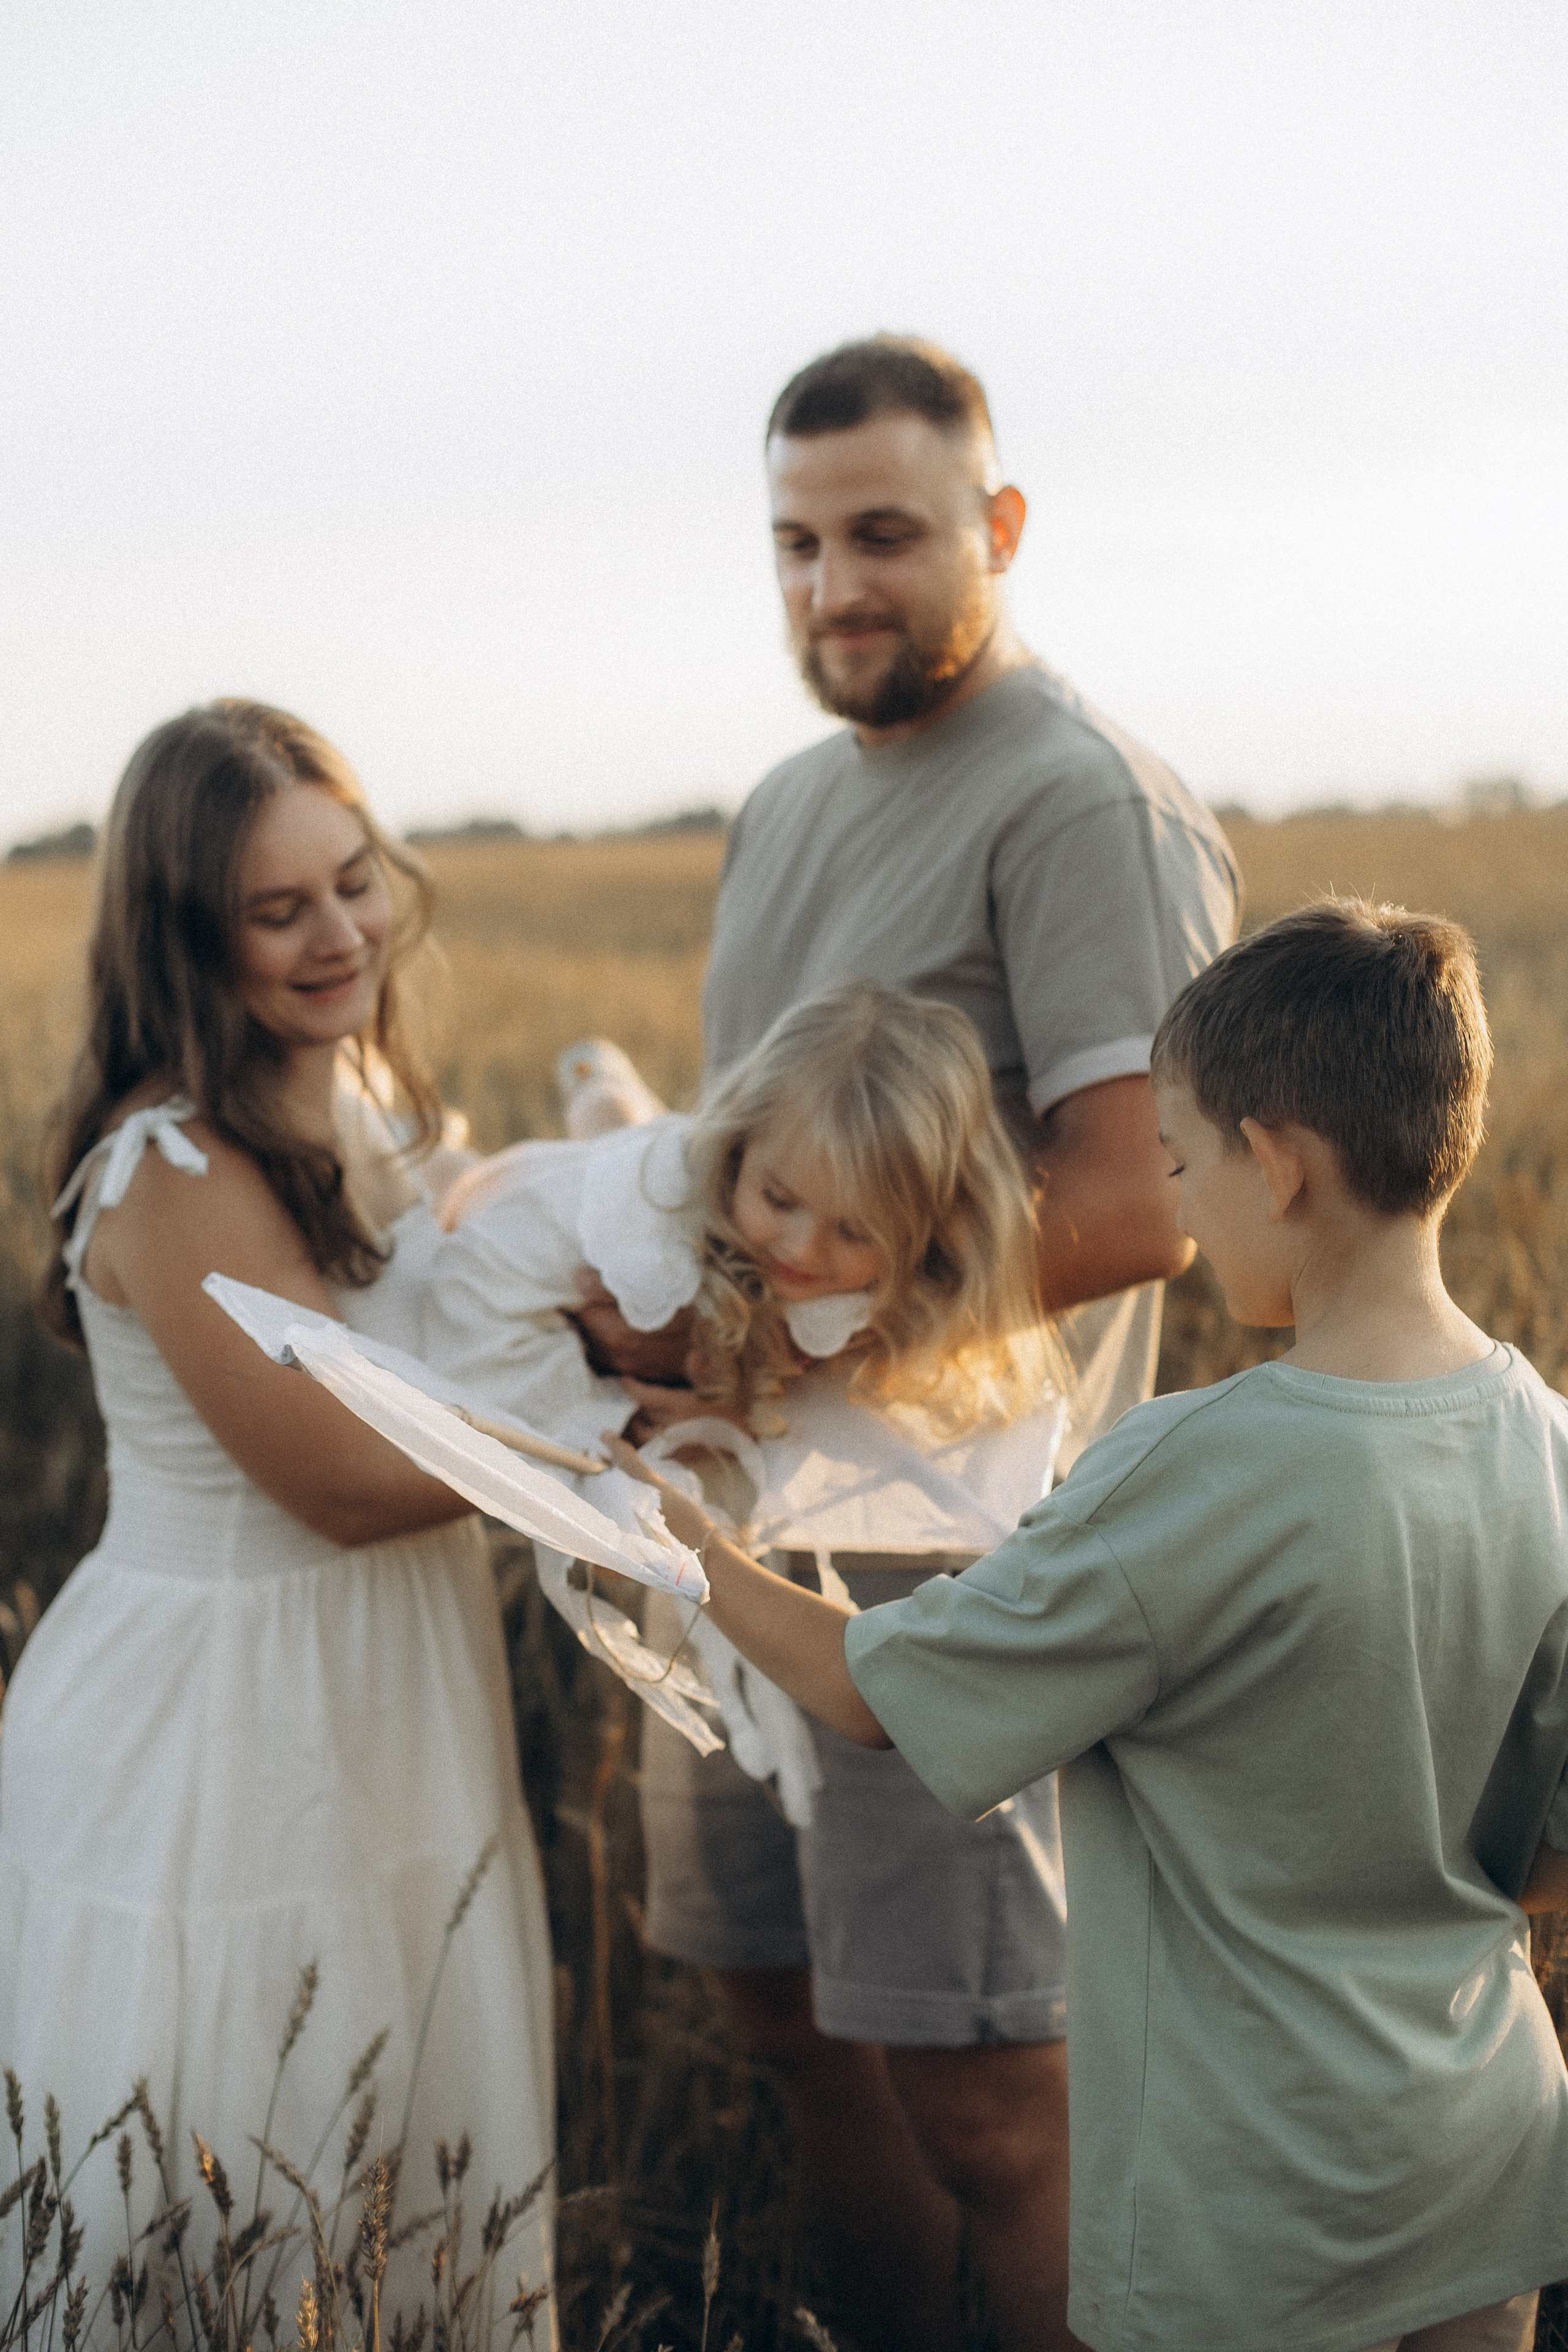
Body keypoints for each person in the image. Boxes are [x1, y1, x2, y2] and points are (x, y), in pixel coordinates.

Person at [611, 899, 1568, 2352]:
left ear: (1274, 1162)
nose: (1175, 1207)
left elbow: (881, 1687)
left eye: (1180, 1161)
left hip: (1240, 2181)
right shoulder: (1548, 1441)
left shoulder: (1186, 1471)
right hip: (1479, 2143)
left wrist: (693, 1548)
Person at [578, 336, 1240, 2351]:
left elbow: (1145, 1200)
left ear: (996, 528)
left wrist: (770, 1337)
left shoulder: (1083, 800)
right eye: (794, 542)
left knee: (993, 2106)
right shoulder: (782, 803)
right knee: (794, 2036)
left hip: (955, 1566)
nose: (830, 586)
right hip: (733, 1543)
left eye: (882, 535)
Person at [0, 703, 554, 2320]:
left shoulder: (359, 1102)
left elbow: (460, 1295)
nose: (342, 933)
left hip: (383, 1681)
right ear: (187, 936)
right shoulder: (172, 1166)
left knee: (403, 2110)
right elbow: (340, 1480)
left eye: (357, 879)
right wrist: (600, 1445)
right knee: (253, 2123)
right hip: (227, 1718)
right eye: (278, 908)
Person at [424, 981, 1057, 1450]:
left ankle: (606, 1092)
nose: (804, 1251)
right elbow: (473, 1280)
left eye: (855, 1231)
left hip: (659, 1159)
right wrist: (601, 1415)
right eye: (778, 1201)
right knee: (463, 1184)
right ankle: (460, 1136)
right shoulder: (638, 1223)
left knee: (618, 1128)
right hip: (530, 1189)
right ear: (736, 1153)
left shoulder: (898, 1256)